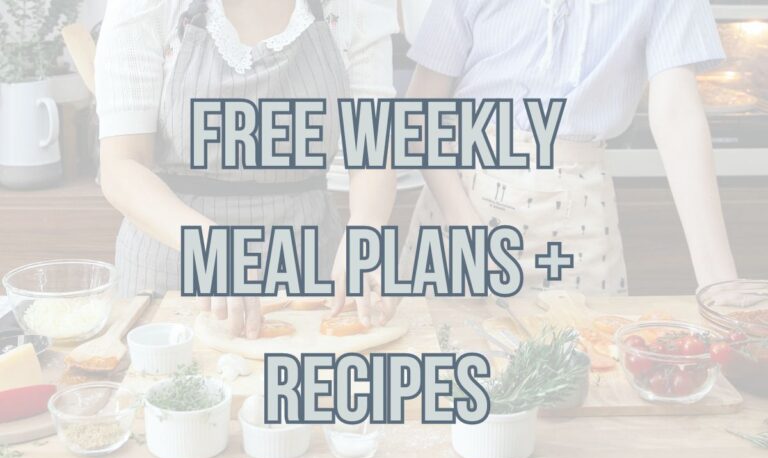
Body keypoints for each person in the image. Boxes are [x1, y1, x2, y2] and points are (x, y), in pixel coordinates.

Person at [95, 0, 399, 337]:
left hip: (307, 266)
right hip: (172, 269)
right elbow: (121, 165)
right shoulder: (148, 8)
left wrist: (367, 226)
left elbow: (373, 152)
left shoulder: (354, 10)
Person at [402, 0, 738, 295]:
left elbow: (677, 117)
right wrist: (462, 222)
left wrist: (720, 286)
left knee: (591, 359)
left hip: (580, 219)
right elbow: (419, 114)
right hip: (460, 201)